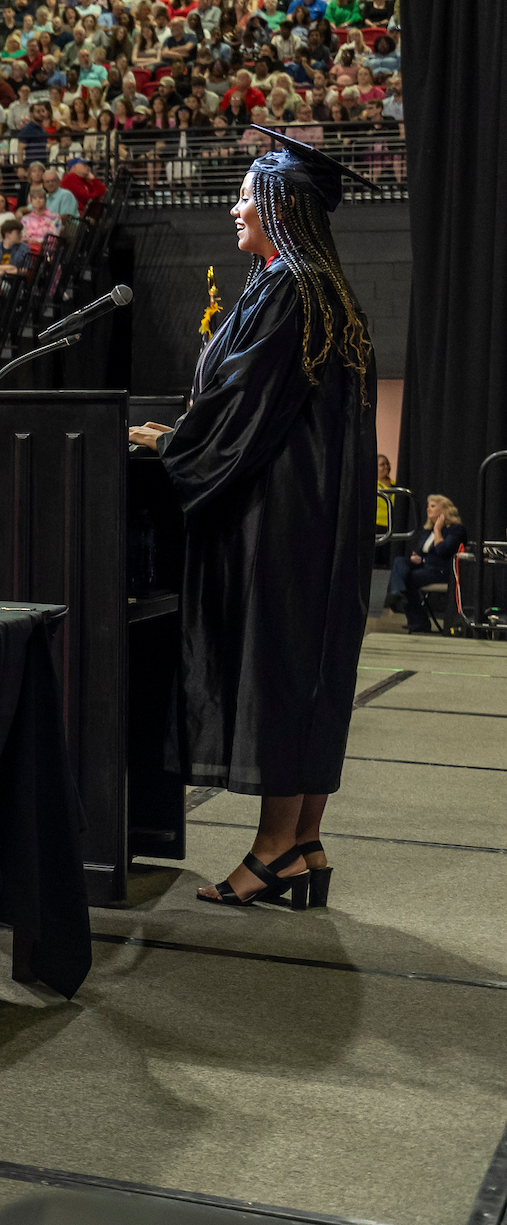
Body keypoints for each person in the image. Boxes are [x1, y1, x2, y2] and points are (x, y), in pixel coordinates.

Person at [128, 131, 374, 909]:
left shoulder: (288, 290)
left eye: (245, 195)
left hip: (278, 522)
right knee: (310, 675)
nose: (234, 207)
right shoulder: (326, 290)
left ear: (281, 205)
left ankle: (271, 854)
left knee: (280, 672)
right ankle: (301, 843)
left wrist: (171, 441)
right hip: (316, 521)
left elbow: (239, 406)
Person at [385, 494, 463, 635]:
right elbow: (422, 552)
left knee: (408, 579)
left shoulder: (455, 530)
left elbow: (443, 551)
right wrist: (418, 557)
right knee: (399, 561)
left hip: (441, 571)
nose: (428, 509)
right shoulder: (428, 530)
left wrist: (438, 530)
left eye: (433, 506)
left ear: (444, 510)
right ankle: (398, 592)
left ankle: (417, 619)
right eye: (428, 506)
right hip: (425, 567)